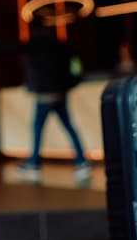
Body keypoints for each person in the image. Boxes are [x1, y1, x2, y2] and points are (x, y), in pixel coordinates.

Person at [16, 16, 91, 187]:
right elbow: (76, 62)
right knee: (68, 126)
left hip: (44, 94)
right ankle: (82, 160)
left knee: (37, 128)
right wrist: (71, 83)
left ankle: (34, 163)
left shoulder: (36, 44)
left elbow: (15, 47)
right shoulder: (59, 44)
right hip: (60, 93)